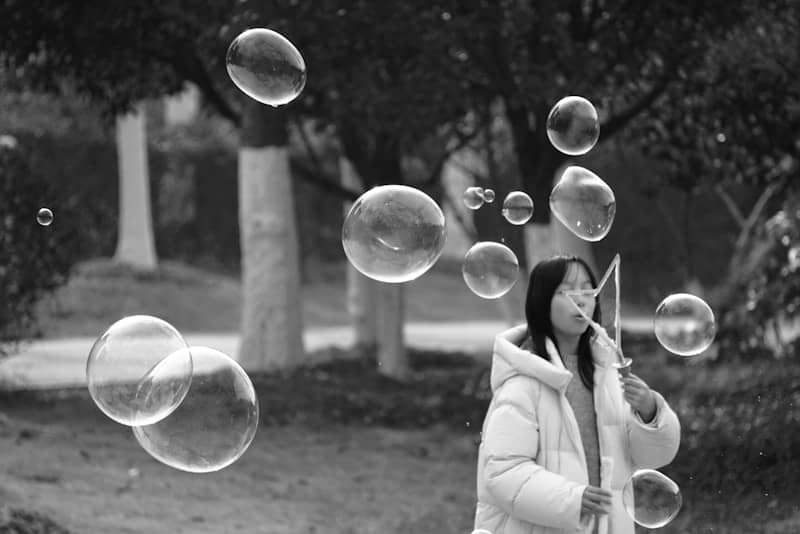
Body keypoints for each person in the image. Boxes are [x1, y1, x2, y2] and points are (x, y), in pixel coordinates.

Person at [473, 255, 681, 534]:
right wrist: (573, 499)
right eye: (565, 291)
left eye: (587, 290)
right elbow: (502, 473)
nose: (581, 300)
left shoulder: (609, 376)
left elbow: (654, 457)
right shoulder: (523, 383)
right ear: (542, 302)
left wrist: (649, 411)